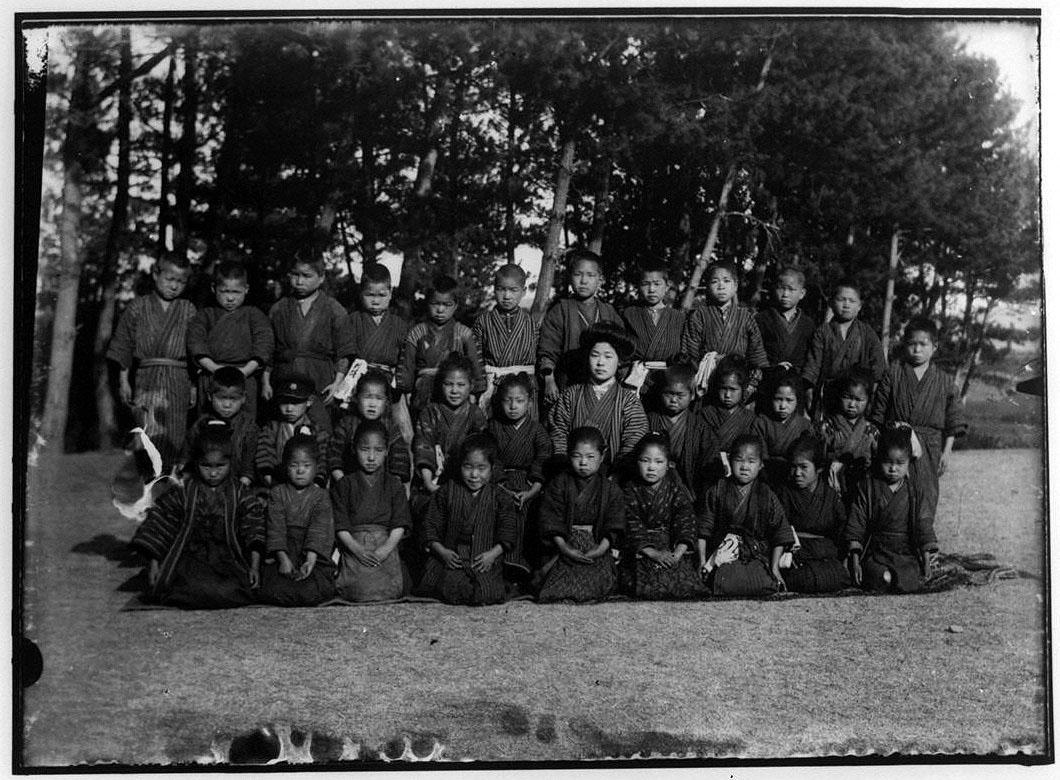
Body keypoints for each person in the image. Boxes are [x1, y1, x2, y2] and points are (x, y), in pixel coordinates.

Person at [131, 424, 265, 608]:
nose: (213, 473)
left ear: (231, 462)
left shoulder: (240, 493)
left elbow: (254, 527)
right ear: (196, 463)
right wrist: (155, 564)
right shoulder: (184, 491)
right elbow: (160, 521)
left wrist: (254, 567)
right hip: (190, 558)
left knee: (229, 590)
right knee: (192, 587)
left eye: (220, 466)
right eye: (206, 466)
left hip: (229, 559)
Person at [869, 317, 967, 524]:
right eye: (912, 344)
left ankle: (922, 540)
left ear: (934, 347)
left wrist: (946, 452)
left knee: (925, 498)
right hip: (895, 445)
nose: (917, 349)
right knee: (891, 498)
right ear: (905, 345)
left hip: (929, 447)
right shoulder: (893, 373)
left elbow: (953, 420)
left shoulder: (945, 381)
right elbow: (878, 414)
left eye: (923, 344)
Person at [106, 252, 197, 470]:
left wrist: (194, 385)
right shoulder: (138, 307)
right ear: (156, 274)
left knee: (175, 431)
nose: (174, 286)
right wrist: (123, 381)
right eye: (169, 279)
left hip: (178, 378)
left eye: (181, 282)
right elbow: (124, 344)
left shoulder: (188, 309)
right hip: (146, 378)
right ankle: (148, 479)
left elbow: (196, 350)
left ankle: (170, 479)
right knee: (147, 430)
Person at [414, 433, 519, 605]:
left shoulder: (500, 497)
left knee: (487, 591)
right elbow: (430, 526)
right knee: (451, 585)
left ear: (492, 468)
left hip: (484, 559)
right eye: (468, 467)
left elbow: (508, 531)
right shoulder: (446, 492)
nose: (474, 475)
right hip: (452, 558)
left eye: (481, 468)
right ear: (460, 465)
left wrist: (492, 555)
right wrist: (442, 552)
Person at [263, 252, 356, 433]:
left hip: (320, 379)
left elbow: (344, 351)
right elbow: (269, 350)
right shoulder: (279, 308)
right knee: (280, 431)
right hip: (284, 378)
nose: (299, 281)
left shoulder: (334, 309)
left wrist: (337, 382)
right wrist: (266, 381)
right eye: (295, 275)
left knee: (320, 428)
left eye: (307, 276)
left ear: (321, 278)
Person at [535, 427, 626, 603]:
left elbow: (615, 522)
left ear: (602, 456)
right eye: (577, 456)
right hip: (564, 544)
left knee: (600, 580)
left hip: (596, 545)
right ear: (568, 455)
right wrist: (565, 548)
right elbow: (550, 518)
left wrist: (601, 549)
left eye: (590, 457)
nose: (583, 463)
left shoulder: (610, 489)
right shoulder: (559, 483)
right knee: (557, 581)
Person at [696, 434, 794, 597]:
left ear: (761, 465)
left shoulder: (766, 494)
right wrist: (701, 561)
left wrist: (775, 568)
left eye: (751, 461)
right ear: (729, 461)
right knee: (724, 581)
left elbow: (780, 531)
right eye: (739, 460)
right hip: (723, 553)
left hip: (755, 555)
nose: (745, 467)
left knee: (763, 583)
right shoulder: (718, 490)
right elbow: (703, 528)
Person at [844, 427, 937, 593]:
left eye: (900, 463)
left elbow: (923, 525)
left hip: (904, 552)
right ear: (879, 459)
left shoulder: (914, 491)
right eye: (888, 462)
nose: (893, 468)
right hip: (876, 552)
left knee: (909, 579)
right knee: (881, 577)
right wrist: (855, 562)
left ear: (909, 463)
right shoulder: (868, 488)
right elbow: (857, 523)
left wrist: (926, 562)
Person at [330, 421, 412, 602]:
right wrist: (357, 550)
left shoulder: (394, 485)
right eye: (365, 450)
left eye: (378, 450)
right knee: (356, 587)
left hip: (386, 544)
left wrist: (385, 550)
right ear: (354, 449)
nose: (371, 457)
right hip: (354, 544)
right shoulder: (344, 485)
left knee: (394, 585)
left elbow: (400, 523)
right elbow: (340, 524)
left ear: (387, 451)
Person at [548, 322, 648, 470]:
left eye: (608, 356)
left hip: (613, 474)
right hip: (572, 470)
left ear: (619, 361)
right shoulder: (571, 395)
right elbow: (558, 432)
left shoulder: (629, 400)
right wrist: (563, 462)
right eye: (595, 355)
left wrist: (618, 472)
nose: (600, 362)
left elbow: (634, 438)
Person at [620, 433, 705, 600]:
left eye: (659, 462)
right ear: (636, 461)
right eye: (645, 460)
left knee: (684, 583)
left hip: (670, 544)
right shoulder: (630, 490)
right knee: (643, 581)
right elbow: (630, 522)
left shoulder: (675, 490)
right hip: (643, 548)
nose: (651, 467)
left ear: (668, 465)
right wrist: (653, 553)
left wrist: (678, 552)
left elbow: (686, 519)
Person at [186, 259, 273, 421]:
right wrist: (215, 369)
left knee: (244, 426)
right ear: (214, 288)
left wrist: (245, 371)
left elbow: (264, 344)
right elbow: (195, 342)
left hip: (244, 377)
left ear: (246, 289)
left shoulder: (254, 315)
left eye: (236, 292)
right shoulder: (204, 315)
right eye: (225, 291)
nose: (230, 298)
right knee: (209, 425)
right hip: (212, 377)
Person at [257, 435, 336, 606]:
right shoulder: (277, 493)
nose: (300, 471)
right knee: (274, 589)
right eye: (294, 465)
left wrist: (310, 561)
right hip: (284, 551)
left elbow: (319, 530)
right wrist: (283, 559)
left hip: (311, 554)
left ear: (316, 468)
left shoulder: (321, 496)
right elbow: (275, 528)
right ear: (286, 467)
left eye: (306, 466)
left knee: (314, 590)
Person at [486, 372, 553, 576]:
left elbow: (542, 459)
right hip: (500, 482)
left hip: (529, 482)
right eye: (508, 401)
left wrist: (533, 489)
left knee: (529, 508)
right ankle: (501, 556)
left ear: (530, 403)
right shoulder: (493, 427)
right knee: (498, 507)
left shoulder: (537, 430)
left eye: (519, 401)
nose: (513, 406)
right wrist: (501, 484)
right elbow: (491, 457)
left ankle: (521, 559)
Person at [537, 248, 624, 403]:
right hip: (568, 382)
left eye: (590, 275)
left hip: (604, 385)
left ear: (600, 279)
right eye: (578, 274)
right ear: (570, 277)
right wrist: (549, 381)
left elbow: (622, 349)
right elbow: (547, 349)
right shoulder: (560, 310)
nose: (583, 281)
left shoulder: (608, 311)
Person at [398, 275, 486, 417]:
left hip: (455, 393)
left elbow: (475, 365)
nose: (440, 309)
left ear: (456, 305)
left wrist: (476, 391)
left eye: (447, 305)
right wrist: (406, 390)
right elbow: (407, 364)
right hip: (423, 393)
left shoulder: (464, 333)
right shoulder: (417, 332)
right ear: (427, 303)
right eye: (435, 304)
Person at [410, 353, 488, 516]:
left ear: (471, 386)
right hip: (434, 479)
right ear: (441, 385)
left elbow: (482, 453)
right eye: (448, 384)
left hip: (467, 481)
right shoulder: (430, 412)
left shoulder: (475, 414)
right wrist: (429, 483)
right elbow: (423, 446)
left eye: (461, 385)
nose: (454, 391)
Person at [774, 433, 851, 593]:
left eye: (803, 467)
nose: (797, 473)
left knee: (838, 576)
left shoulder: (830, 496)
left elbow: (841, 530)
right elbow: (778, 529)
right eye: (793, 467)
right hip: (797, 552)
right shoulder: (784, 493)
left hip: (824, 553)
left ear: (819, 468)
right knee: (804, 578)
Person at [680, 260, 768, 400]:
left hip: (737, 381)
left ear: (735, 286)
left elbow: (757, 356)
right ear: (707, 286)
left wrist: (751, 385)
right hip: (707, 380)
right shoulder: (699, 315)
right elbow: (689, 353)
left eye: (726, 281)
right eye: (715, 282)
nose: (721, 286)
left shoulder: (745, 317)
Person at [801, 279, 886, 419]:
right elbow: (812, 365)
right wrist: (809, 392)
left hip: (857, 396)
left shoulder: (867, 333)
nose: (846, 305)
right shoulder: (823, 331)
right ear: (831, 302)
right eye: (841, 300)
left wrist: (871, 394)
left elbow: (878, 367)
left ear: (859, 306)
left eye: (852, 301)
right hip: (828, 396)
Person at [345, 263, 412, 440]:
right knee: (355, 429)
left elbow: (406, 359)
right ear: (361, 293)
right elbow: (345, 353)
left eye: (382, 295)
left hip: (390, 386)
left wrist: (402, 384)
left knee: (398, 431)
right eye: (370, 295)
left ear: (390, 293)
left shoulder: (399, 325)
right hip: (359, 383)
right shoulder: (352, 320)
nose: (376, 301)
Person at [473, 264, 540, 416]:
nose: (507, 296)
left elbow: (539, 356)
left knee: (526, 427)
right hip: (494, 387)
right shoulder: (483, 322)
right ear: (494, 289)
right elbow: (475, 357)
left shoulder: (532, 324)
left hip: (525, 387)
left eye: (513, 290)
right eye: (501, 289)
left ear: (523, 291)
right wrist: (481, 386)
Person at [327, 368, 412, 485]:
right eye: (367, 397)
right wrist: (343, 482)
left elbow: (399, 458)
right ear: (356, 398)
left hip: (382, 487)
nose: (372, 404)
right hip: (349, 483)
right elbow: (334, 454)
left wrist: (392, 487)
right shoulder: (346, 424)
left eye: (379, 398)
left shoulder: (390, 427)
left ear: (386, 402)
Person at [646, 364, 717, 498]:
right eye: (669, 393)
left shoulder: (700, 427)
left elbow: (708, 463)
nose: (673, 400)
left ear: (692, 395)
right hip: (651, 486)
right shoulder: (649, 421)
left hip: (688, 489)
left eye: (680, 395)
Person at [185, 367, 259, 486]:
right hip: (204, 483)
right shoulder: (201, 424)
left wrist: (241, 487)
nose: (227, 405)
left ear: (243, 398)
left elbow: (248, 465)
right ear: (210, 396)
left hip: (237, 484)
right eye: (221, 398)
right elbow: (187, 455)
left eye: (233, 399)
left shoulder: (249, 427)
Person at [621, 260, 685, 396]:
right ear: (639, 286)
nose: (651, 289)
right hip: (637, 379)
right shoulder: (630, 314)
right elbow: (622, 351)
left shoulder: (679, 317)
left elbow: (684, 353)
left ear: (667, 286)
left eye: (657, 284)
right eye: (645, 284)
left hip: (668, 381)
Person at [255, 373, 330, 487]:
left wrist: (317, 483)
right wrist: (269, 478)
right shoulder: (271, 428)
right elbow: (264, 454)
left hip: (310, 487)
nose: (289, 408)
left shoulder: (317, 431)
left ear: (309, 401)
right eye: (284, 402)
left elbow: (322, 460)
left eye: (295, 403)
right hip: (277, 484)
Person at [817, 370, 880, 503]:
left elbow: (878, 462)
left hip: (861, 486)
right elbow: (818, 458)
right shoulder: (828, 426)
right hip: (831, 484)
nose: (852, 404)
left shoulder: (871, 430)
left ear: (868, 401)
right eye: (847, 397)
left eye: (859, 400)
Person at [755, 266, 816, 389]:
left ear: (802, 293)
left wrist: (806, 381)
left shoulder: (808, 324)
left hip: (797, 383)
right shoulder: (761, 319)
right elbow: (755, 351)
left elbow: (811, 358)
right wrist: (770, 369)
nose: (785, 294)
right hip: (767, 380)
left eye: (791, 289)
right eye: (781, 288)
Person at [750, 370, 812, 487]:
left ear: (797, 400)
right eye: (778, 399)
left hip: (794, 475)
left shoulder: (804, 425)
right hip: (766, 475)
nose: (783, 406)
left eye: (789, 400)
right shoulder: (761, 422)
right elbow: (760, 454)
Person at [698, 357, 756, 482]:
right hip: (711, 469)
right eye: (723, 388)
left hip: (740, 470)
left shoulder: (750, 418)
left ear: (743, 389)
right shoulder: (706, 414)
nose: (727, 395)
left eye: (733, 389)